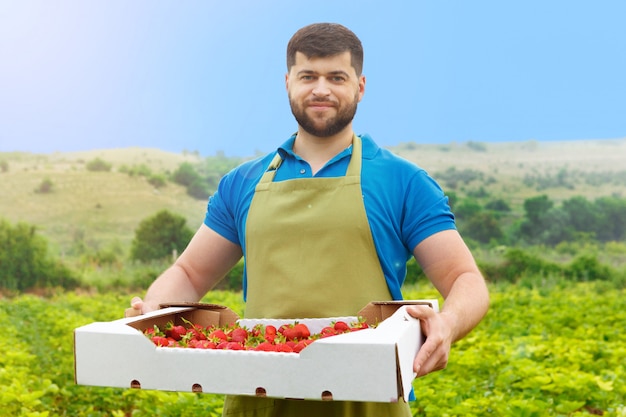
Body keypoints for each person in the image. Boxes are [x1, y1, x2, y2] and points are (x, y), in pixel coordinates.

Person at [130, 22, 489, 417]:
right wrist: (154, 310)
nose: (321, 89)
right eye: (308, 76)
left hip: (368, 402)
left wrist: (449, 323)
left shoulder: (403, 181)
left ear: (360, 86)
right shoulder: (242, 183)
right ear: (288, 83)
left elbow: (464, 279)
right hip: (259, 399)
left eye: (337, 77)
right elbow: (191, 271)